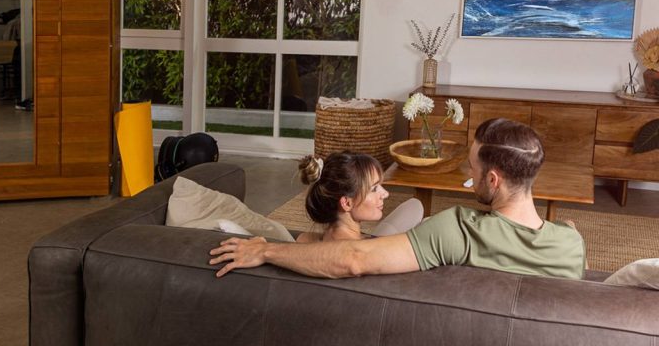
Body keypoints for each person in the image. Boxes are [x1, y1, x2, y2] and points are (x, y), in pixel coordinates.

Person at [209, 118, 585, 280]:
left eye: (471, 169)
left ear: (492, 178)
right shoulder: (571, 246)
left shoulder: (457, 230)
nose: (467, 176)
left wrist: (267, 251)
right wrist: (564, 228)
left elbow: (355, 259)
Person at [293, 152, 424, 243]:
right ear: (347, 203)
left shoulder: (305, 239)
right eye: (374, 188)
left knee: (415, 204)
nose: (386, 194)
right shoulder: (367, 252)